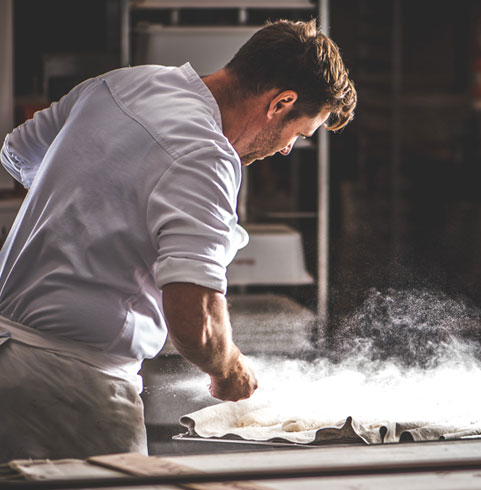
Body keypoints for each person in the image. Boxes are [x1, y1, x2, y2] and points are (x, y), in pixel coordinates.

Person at [0, 19, 356, 460]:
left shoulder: (122, 83)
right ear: (281, 102)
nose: (285, 150)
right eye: (297, 134)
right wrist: (229, 369)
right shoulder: (205, 155)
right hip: (73, 388)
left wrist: (95, 206)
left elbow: (16, 151)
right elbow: (195, 320)